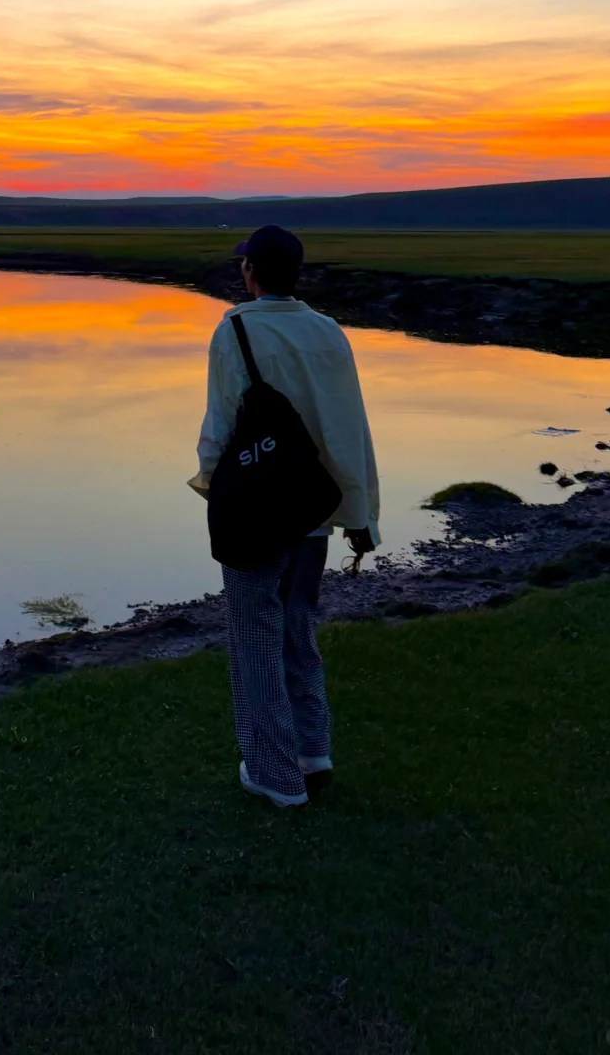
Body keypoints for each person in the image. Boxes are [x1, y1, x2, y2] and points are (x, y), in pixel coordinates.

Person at [188, 225, 380, 808]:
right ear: (297, 272)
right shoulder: (329, 331)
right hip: (313, 510)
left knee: (254, 639)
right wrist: (360, 513)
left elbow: (221, 423)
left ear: (250, 273)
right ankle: (313, 753)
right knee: (297, 630)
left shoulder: (235, 329)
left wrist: (210, 486)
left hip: (255, 511)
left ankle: (275, 776)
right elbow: (349, 429)